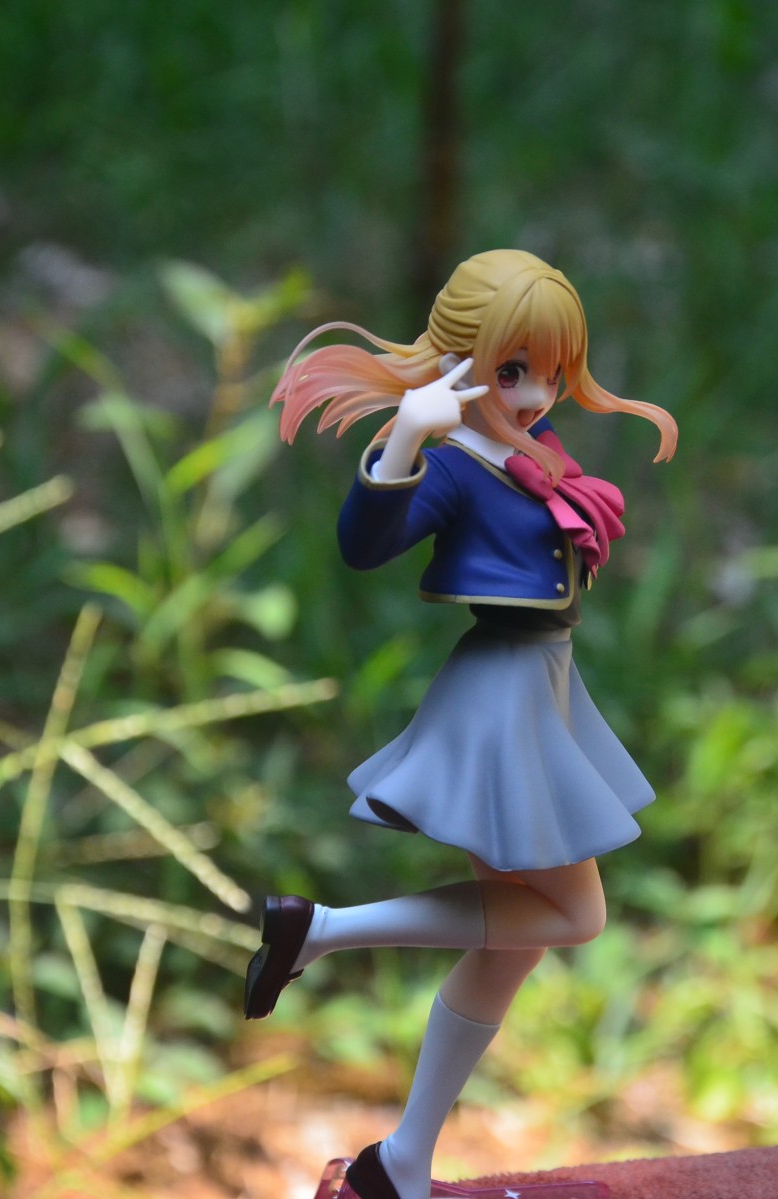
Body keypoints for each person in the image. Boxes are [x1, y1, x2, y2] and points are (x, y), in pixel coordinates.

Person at [248, 248, 678, 1199]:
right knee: (577, 915)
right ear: (460, 361)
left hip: (543, 684)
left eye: (550, 373)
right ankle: (322, 930)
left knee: (513, 946)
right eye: (512, 371)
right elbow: (364, 544)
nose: (535, 395)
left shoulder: (529, 450)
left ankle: (400, 1162)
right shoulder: (451, 465)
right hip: (503, 696)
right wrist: (406, 435)